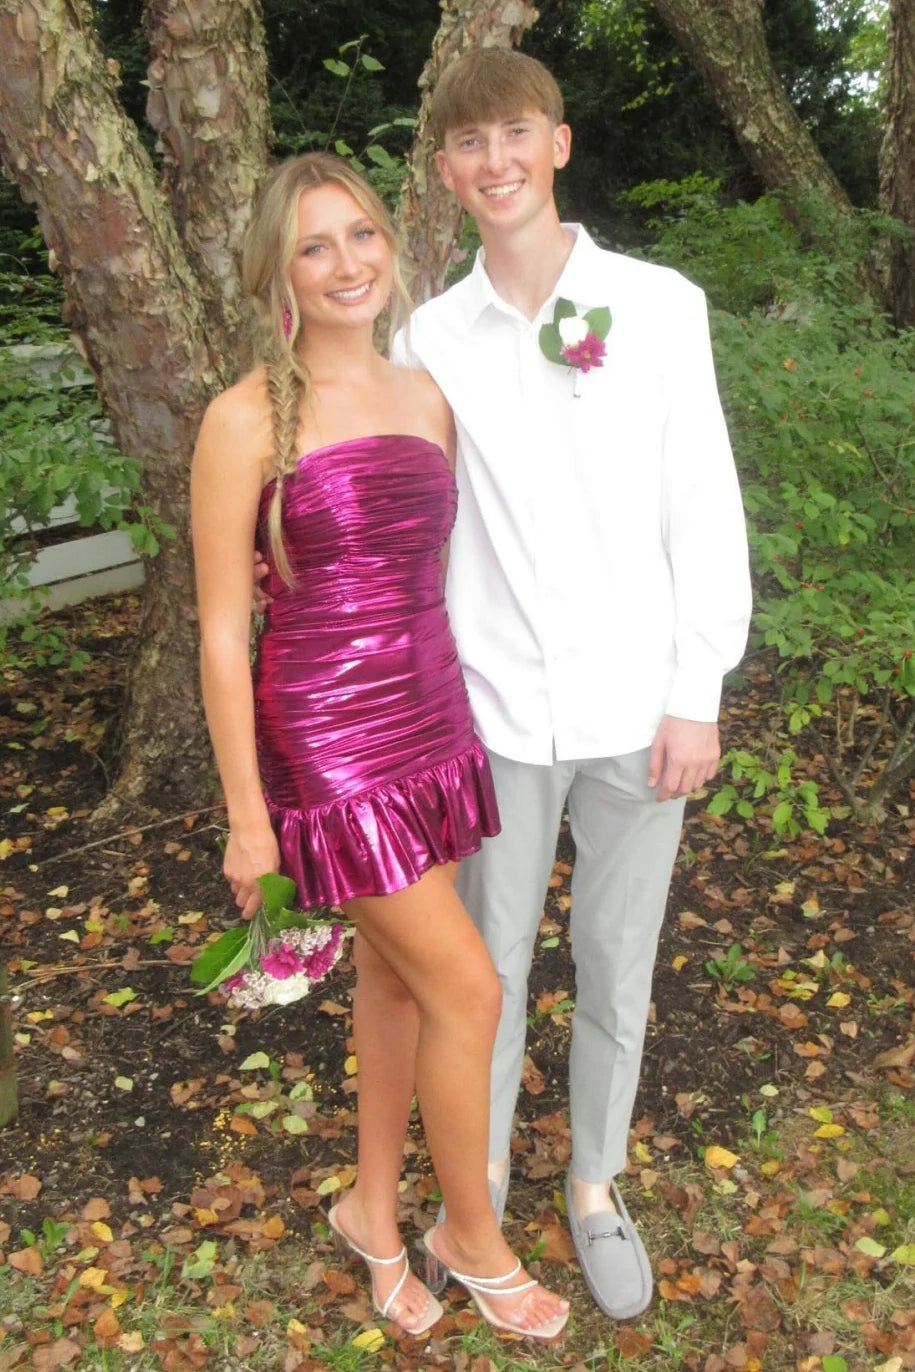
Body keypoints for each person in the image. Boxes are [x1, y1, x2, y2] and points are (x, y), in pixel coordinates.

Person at [388, 48, 753, 1321]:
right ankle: (478, 1188)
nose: (495, 161)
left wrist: (698, 689)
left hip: (639, 705)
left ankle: (594, 1179)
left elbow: (703, 502)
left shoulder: (657, 305)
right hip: (492, 710)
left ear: (559, 144)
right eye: (468, 142)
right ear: (446, 170)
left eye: (516, 133)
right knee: (480, 968)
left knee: (616, 956)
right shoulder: (428, 335)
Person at [191, 152, 569, 1341]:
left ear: (391, 244)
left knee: (399, 979)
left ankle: (369, 1209)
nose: (347, 263)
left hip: (431, 717)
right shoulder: (242, 418)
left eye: (360, 234)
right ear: (279, 272)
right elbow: (221, 632)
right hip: (328, 740)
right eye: (315, 245)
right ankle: (472, 1234)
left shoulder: (427, 394)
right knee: (472, 986)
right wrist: (248, 818)